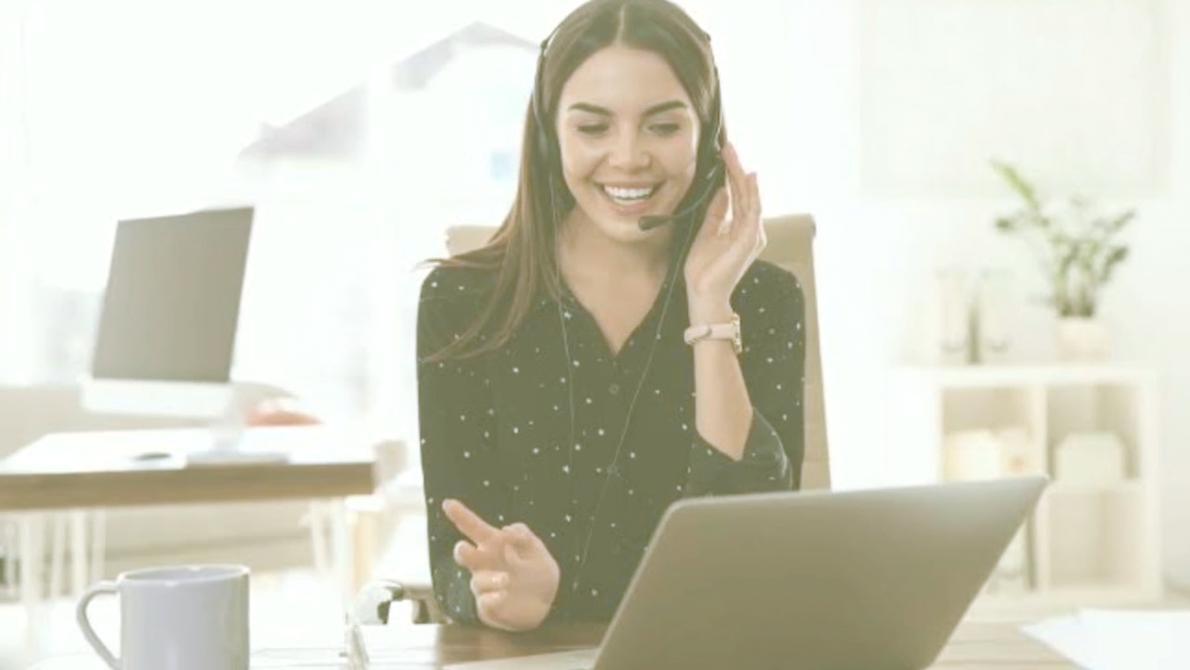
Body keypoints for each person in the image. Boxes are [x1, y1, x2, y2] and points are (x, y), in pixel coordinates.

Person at [416, 0, 806, 631]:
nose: (628, 158)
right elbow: (455, 556)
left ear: (707, 133)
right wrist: (505, 598)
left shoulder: (763, 299)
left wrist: (709, 306)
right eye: (593, 127)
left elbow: (757, 555)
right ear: (550, 134)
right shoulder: (461, 302)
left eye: (663, 126)